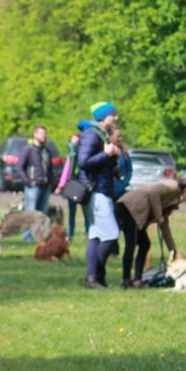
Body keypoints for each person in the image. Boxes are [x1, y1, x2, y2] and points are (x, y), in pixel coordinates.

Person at [115, 178, 186, 288]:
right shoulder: (172, 187)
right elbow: (154, 192)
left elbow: (164, 225)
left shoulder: (173, 199)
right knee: (131, 245)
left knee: (144, 244)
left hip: (136, 214)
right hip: (129, 208)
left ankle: (138, 280)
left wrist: (173, 250)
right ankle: (126, 280)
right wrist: (159, 215)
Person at [77, 102, 122, 288]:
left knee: (95, 236)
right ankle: (95, 275)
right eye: (113, 114)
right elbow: (83, 162)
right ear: (103, 117)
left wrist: (113, 158)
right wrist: (106, 153)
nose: (116, 118)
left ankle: (94, 278)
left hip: (100, 189)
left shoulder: (99, 134)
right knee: (111, 235)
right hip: (96, 191)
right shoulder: (91, 134)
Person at [17, 125, 58, 213]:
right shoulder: (28, 150)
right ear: (35, 134)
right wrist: (28, 181)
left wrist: (51, 183)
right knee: (31, 214)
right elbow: (20, 167)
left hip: (45, 187)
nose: (44, 136)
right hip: (33, 187)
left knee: (42, 215)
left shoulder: (47, 151)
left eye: (45, 134)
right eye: (41, 133)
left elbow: (50, 169)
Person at [56, 129, 84, 240]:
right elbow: (66, 171)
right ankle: (71, 233)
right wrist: (61, 185)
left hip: (80, 184)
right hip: (73, 184)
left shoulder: (79, 154)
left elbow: (66, 171)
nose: (73, 141)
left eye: (75, 139)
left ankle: (86, 233)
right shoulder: (71, 155)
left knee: (84, 212)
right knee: (72, 212)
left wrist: (61, 185)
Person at [110, 125, 132, 198]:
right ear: (110, 136)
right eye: (118, 136)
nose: (120, 138)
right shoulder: (105, 150)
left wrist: (125, 182)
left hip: (121, 191)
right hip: (107, 190)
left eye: (121, 136)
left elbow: (129, 169)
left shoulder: (124, 152)